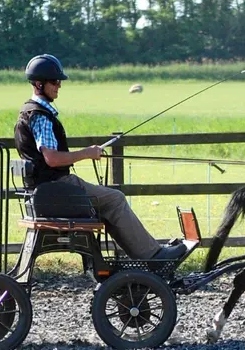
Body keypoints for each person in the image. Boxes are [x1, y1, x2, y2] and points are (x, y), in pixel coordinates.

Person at [13, 54, 187, 261]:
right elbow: (52, 159)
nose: (59, 86)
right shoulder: (41, 116)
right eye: (54, 81)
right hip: (57, 187)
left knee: (106, 200)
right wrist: (86, 153)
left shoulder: (29, 112)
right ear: (38, 84)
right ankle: (152, 256)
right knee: (115, 199)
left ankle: (141, 257)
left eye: (59, 81)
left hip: (47, 188)